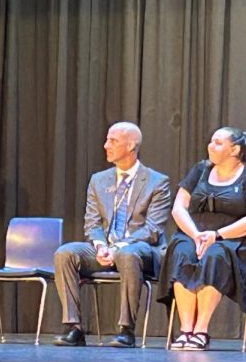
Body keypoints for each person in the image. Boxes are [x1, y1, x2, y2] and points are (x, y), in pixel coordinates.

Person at [53, 122, 171, 348]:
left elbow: (153, 230)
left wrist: (117, 248)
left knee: (127, 254)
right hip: (105, 248)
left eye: (113, 141)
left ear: (132, 146)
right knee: (65, 253)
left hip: (141, 250)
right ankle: (73, 328)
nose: (106, 145)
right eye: (107, 139)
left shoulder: (157, 182)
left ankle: (126, 330)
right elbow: (92, 222)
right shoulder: (99, 180)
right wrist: (99, 246)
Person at [157, 127, 246, 351]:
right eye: (211, 141)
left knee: (215, 255)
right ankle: (186, 330)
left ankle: (201, 330)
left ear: (235, 149)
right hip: (196, 233)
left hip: (234, 239)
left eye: (218, 143)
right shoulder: (201, 170)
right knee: (182, 251)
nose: (211, 146)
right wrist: (196, 235)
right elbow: (178, 208)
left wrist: (218, 235)